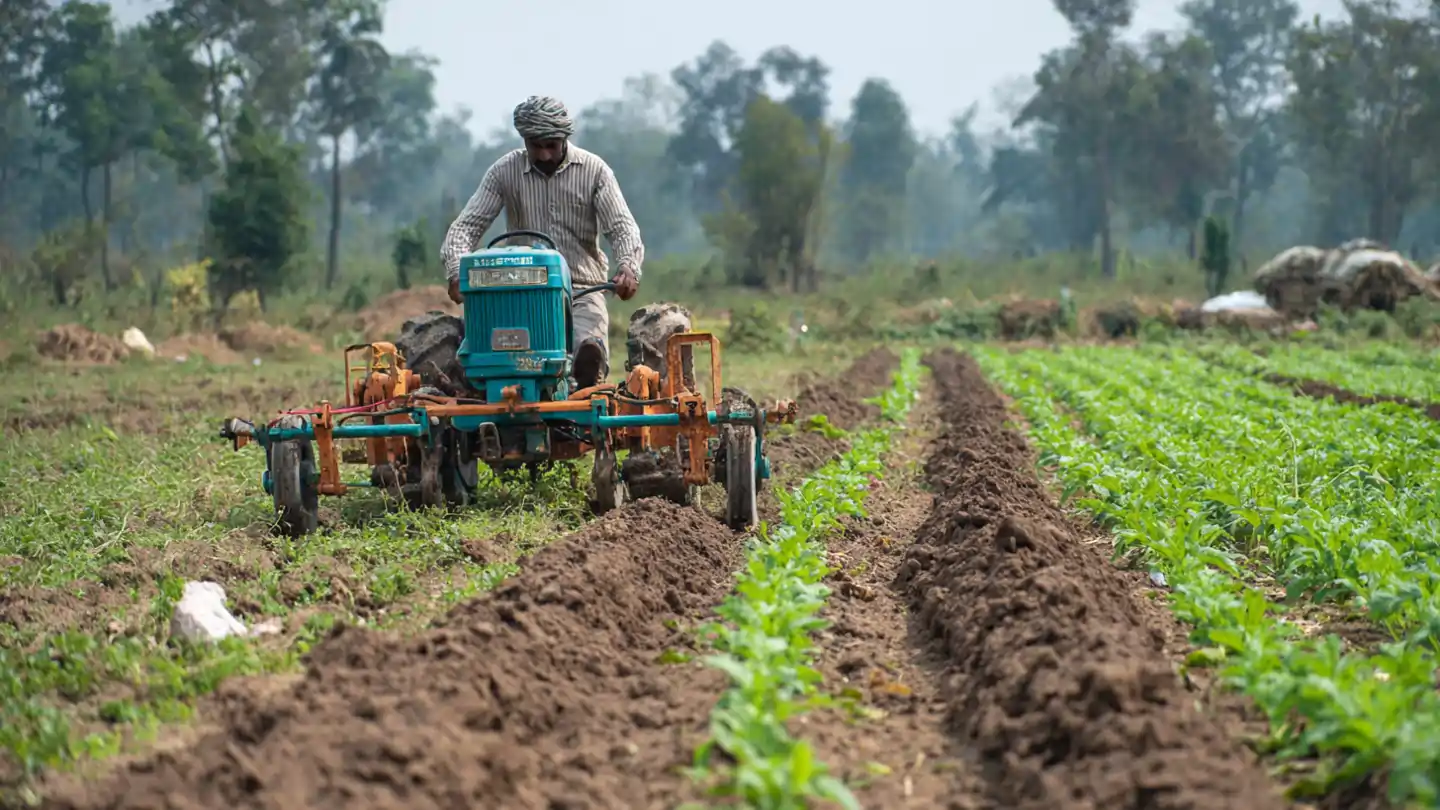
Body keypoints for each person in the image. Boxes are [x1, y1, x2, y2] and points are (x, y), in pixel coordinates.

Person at [440, 95, 644, 388]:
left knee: (588, 348)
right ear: (524, 140)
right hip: (515, 289)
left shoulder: (595, 171)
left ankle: (586, 383)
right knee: (476, 356)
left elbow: (622, 227)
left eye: (552, 144)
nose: (545, 154)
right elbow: (465, 228)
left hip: (581, 290)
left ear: (565, 138)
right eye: (536, 145)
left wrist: (628, 266)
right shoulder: (504, 172)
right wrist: (456, 269)